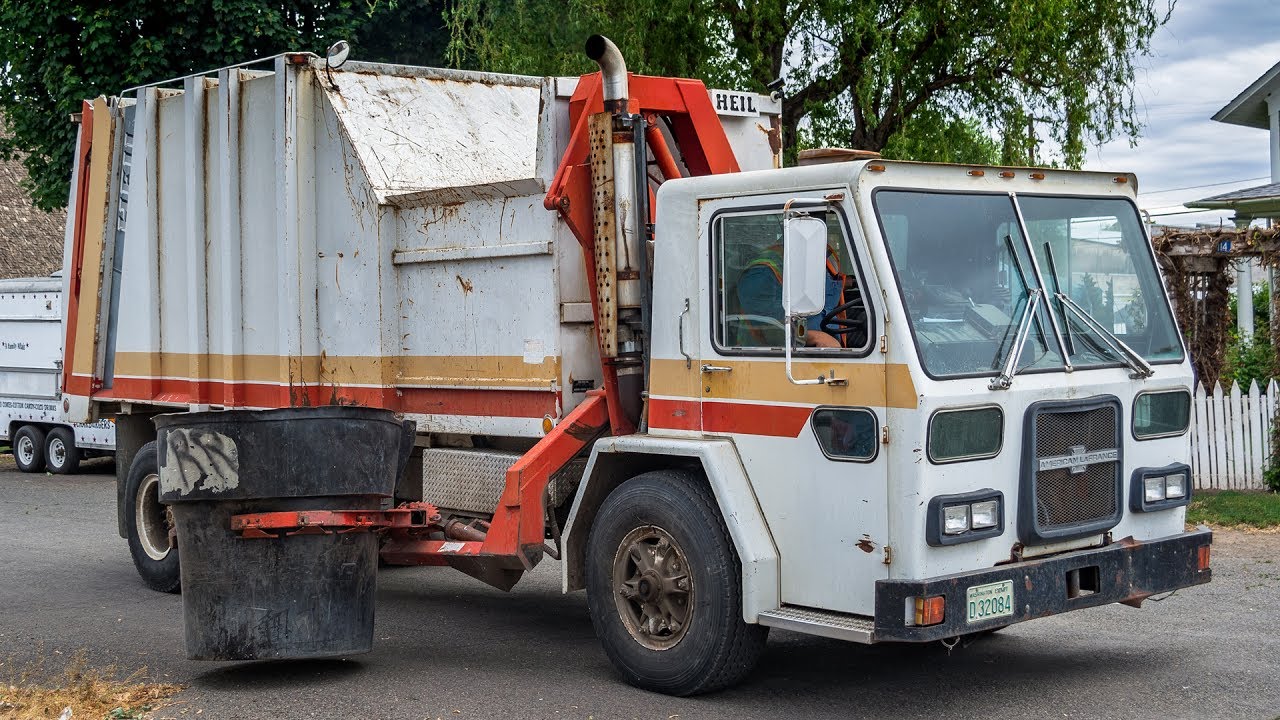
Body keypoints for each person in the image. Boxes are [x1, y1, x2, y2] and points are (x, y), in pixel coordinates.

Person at [736, 242, 845, 348]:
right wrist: (817, 337)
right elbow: (770, 330)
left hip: (827, 354)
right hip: (774, 359)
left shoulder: (817, 256)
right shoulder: (761, 274)